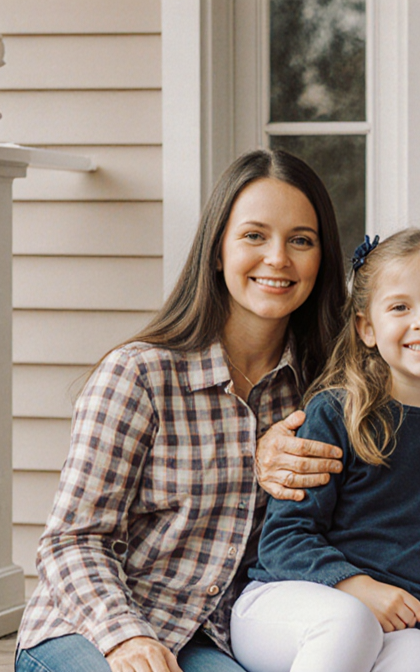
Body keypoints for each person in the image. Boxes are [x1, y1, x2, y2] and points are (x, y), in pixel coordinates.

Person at [15, 149, 348, 672]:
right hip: (91, 626)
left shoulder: (321, 392)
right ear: (217, 251)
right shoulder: (139, 375)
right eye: (254, 236)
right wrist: (126, 640)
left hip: (212, 637)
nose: (278, 259)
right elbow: (71, 541)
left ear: (321, 258)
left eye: (301, 240)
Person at [229, 229, 420, 672]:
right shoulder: (338, 414)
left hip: (397, 627)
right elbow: (282, 541)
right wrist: (356, 586)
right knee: (350, 622)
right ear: (367, 328)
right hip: (289, 604)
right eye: (400, 307)